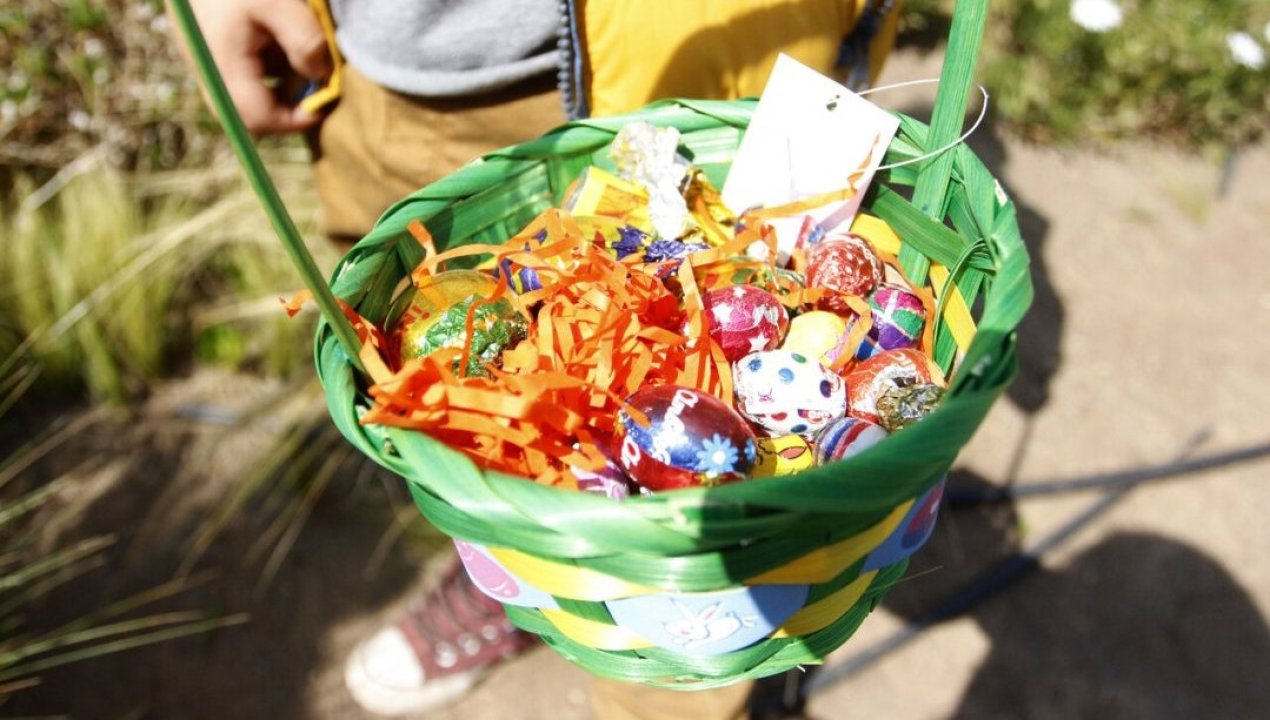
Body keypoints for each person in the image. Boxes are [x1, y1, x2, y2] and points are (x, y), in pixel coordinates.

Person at [172, 1, 899, 717]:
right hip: (404, 66)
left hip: (706, 40)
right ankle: (520, 568)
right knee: (449, 412)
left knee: (705, 584)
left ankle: (665, 693)